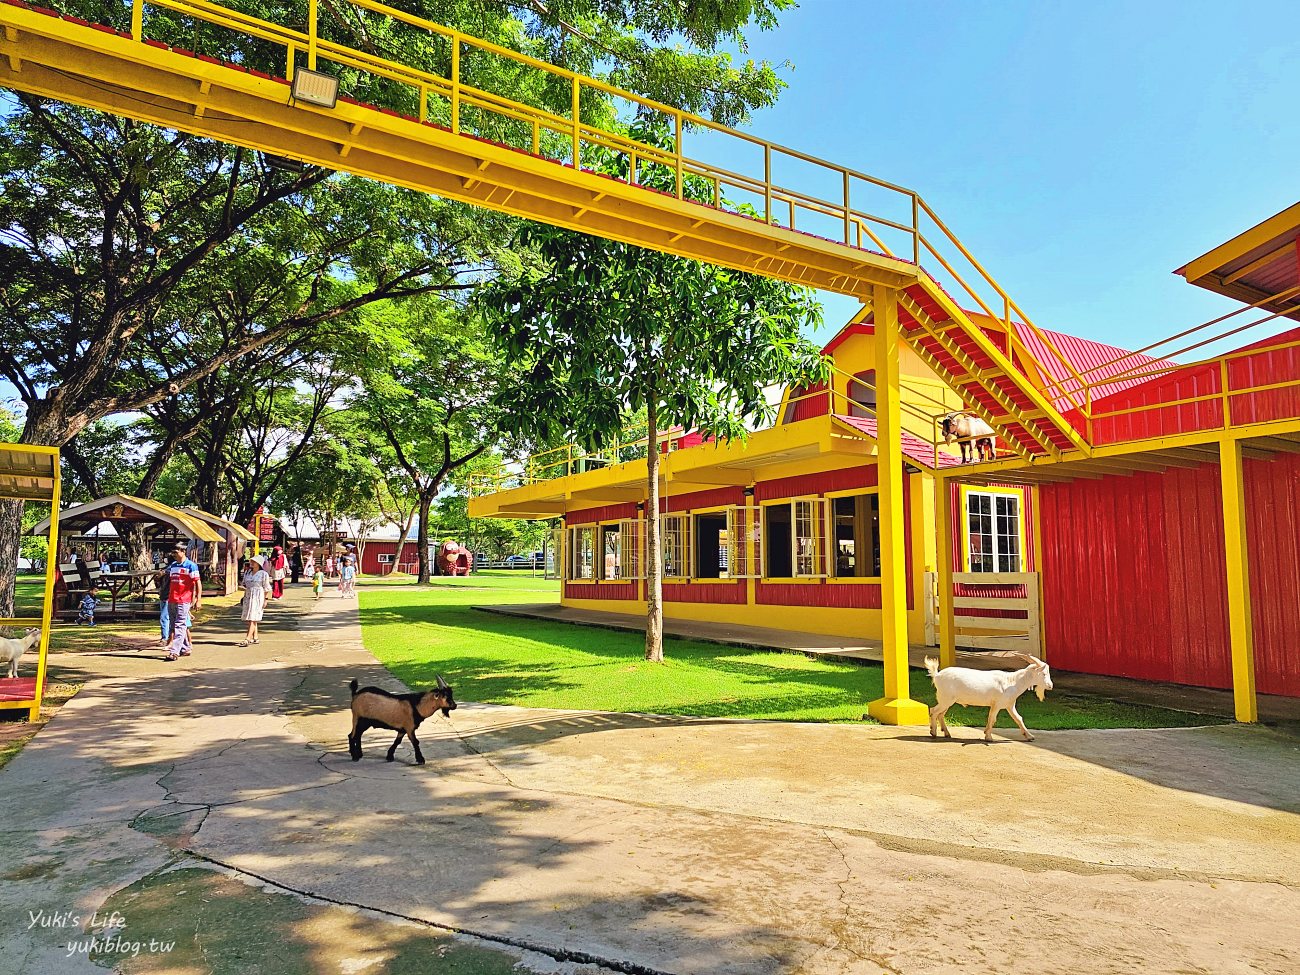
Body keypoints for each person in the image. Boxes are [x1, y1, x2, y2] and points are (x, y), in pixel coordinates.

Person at [163, 541, 202, 662]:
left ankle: (174, 652)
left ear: (183, 551)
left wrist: (198, 599)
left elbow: (197, 583)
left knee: (180, 625)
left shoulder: (191, 566)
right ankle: (185, 647)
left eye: (176, 552)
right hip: (172, 599)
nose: (173, 554)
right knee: (174, 626)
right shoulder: (173, 565)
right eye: (172, 552)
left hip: (184, 600)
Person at [239, 554, 271, 646]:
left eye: (254, 562)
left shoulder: (263, 574)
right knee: (250, 617)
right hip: (248, 595)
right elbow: (244, 584)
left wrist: (265, 599)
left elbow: (266, 588)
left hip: (258, 596)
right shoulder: (247, 573)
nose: (252, 563)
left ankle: (247, 638)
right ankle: (255, 637)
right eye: (251, 561)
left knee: (253, 617)